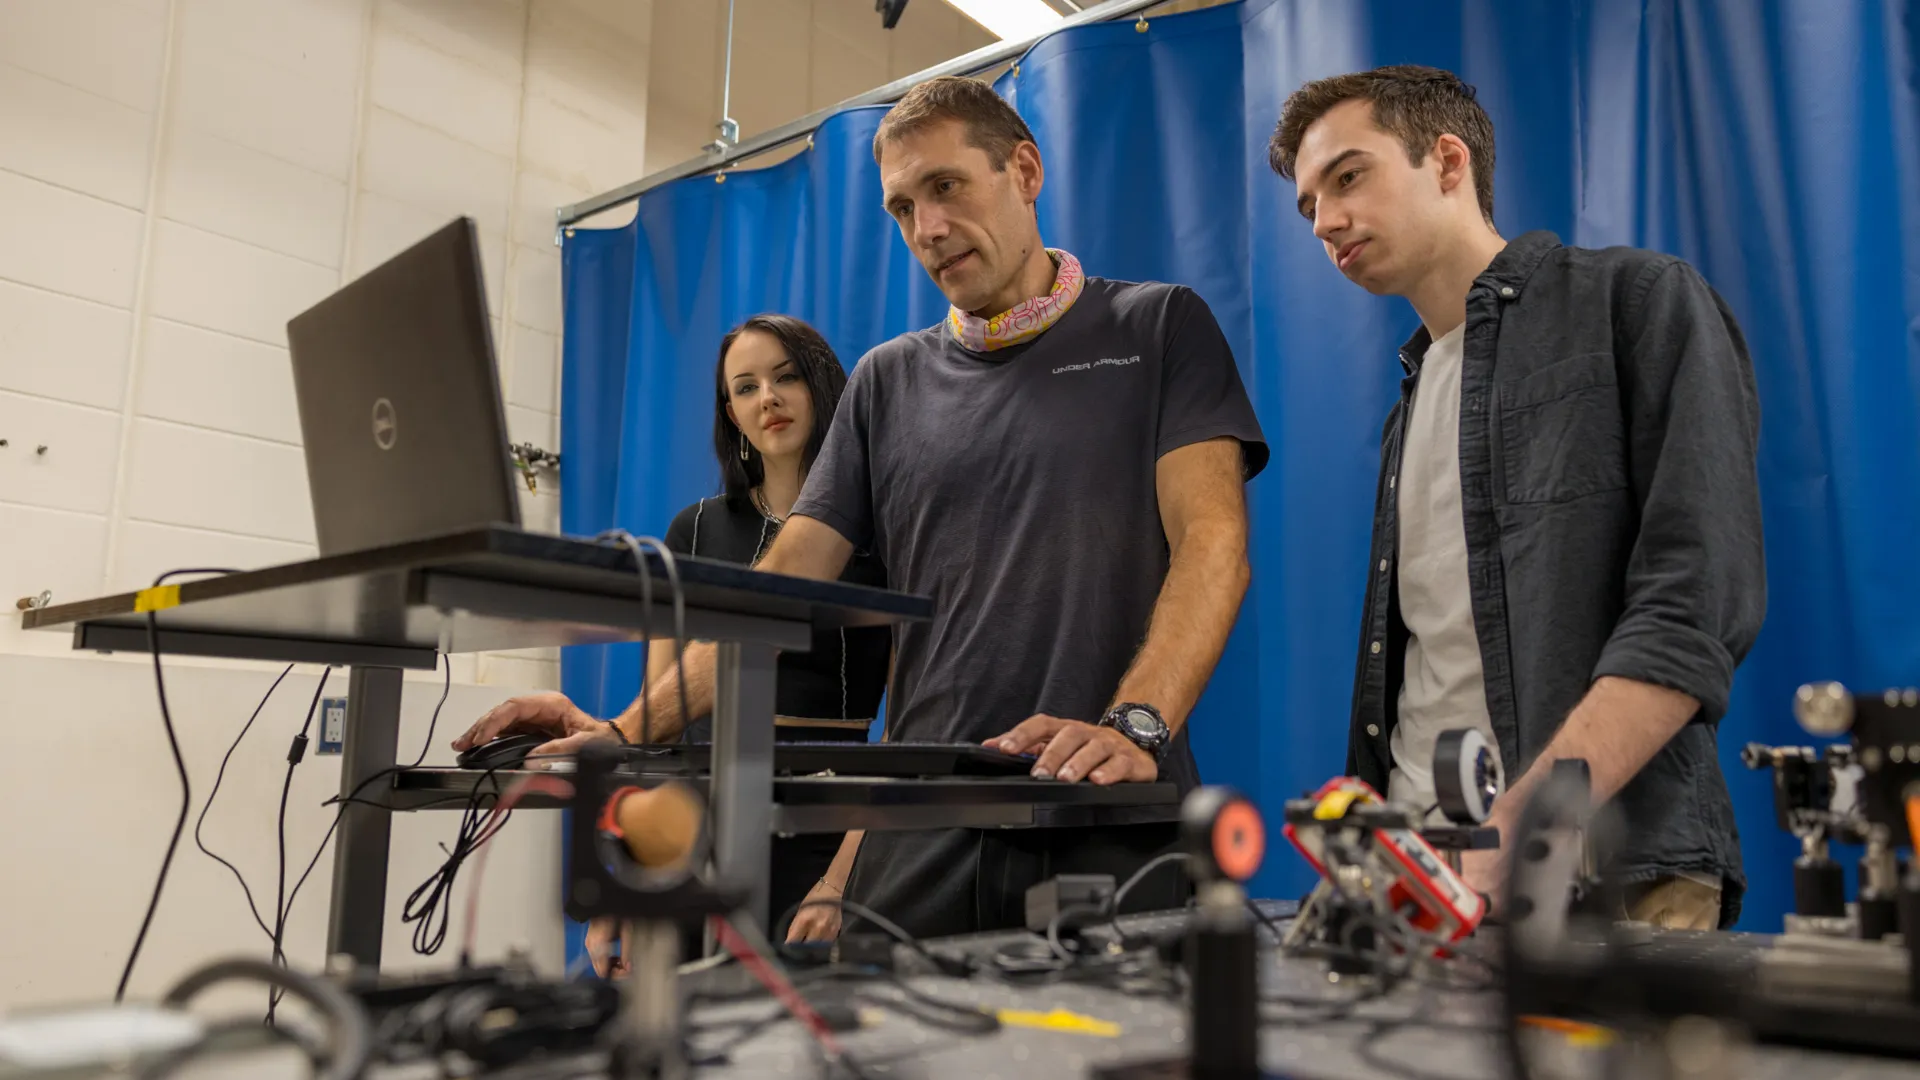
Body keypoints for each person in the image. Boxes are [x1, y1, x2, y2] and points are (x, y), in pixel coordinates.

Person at [456, 74, 1268, 941]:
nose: (928, 229)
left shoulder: (1156, 327)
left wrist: (1135, 723)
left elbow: (1213, 542)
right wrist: (622, 731)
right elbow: (781, 586)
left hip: (1109, 805)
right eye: (902, 208)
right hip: (923, 824)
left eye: (947, 187)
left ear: (1025, 171)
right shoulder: (888, 378)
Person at [1269, 65, 1765, 929]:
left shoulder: (1637, 302)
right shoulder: (1413, 398)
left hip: (1614, 881)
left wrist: (1522, 833)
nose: (1325, 221)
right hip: (1423, 881)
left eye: (1348, 177)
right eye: (1309, 203)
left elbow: (1693, 606)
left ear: (1449, 161)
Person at [497, 314, 892, 976]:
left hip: (824, 826)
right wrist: (627, 880)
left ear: (825, 386)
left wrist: (840, 882)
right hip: (692, 826)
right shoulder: (696, 529)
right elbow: (656, 738)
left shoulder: (882, 530)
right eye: (745, 387)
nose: (767, 397)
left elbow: (906, 727)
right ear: (730, 414)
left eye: (786, 376)